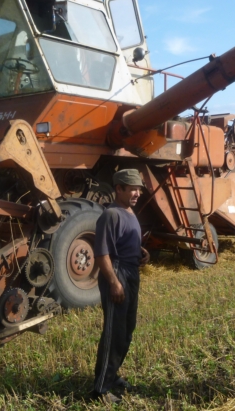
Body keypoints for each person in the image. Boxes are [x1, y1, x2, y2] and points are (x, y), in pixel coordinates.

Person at [92, 169, 150, 403]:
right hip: (117, 274)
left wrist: (141, 252)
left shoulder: (129, 212)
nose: (137, 193)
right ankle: (101, 390)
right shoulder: (111, 215)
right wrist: (114, 283)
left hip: (131, 271)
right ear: (119, 189)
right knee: (113, 333)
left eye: (139, 189)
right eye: (132, 188)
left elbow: (124, 241)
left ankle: (113, 375)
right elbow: (102, 254)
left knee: (126, 330)